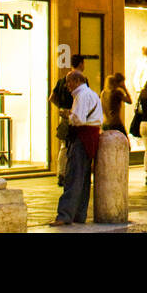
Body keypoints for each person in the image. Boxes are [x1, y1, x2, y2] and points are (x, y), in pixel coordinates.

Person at [52, 70, 101, 225]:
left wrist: (68, 115)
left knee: (73, 176)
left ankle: (64, 215)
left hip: (82, 137)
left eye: (69, 82)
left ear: (77, 81)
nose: (67, 86)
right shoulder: (90, 94)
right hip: (90, 137)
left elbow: (79, 119)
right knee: (84, 179)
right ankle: (80, 214)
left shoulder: (81, 95)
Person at [50, 54, 85, 186]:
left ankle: (62, 173)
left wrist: (61, 107)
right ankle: (72, 173)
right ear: (81, 64)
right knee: (75, 145)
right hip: (75, 115)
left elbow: (52, 97)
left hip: (64, 116)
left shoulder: (61, 80)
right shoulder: (81, 80)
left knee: (64, 146)